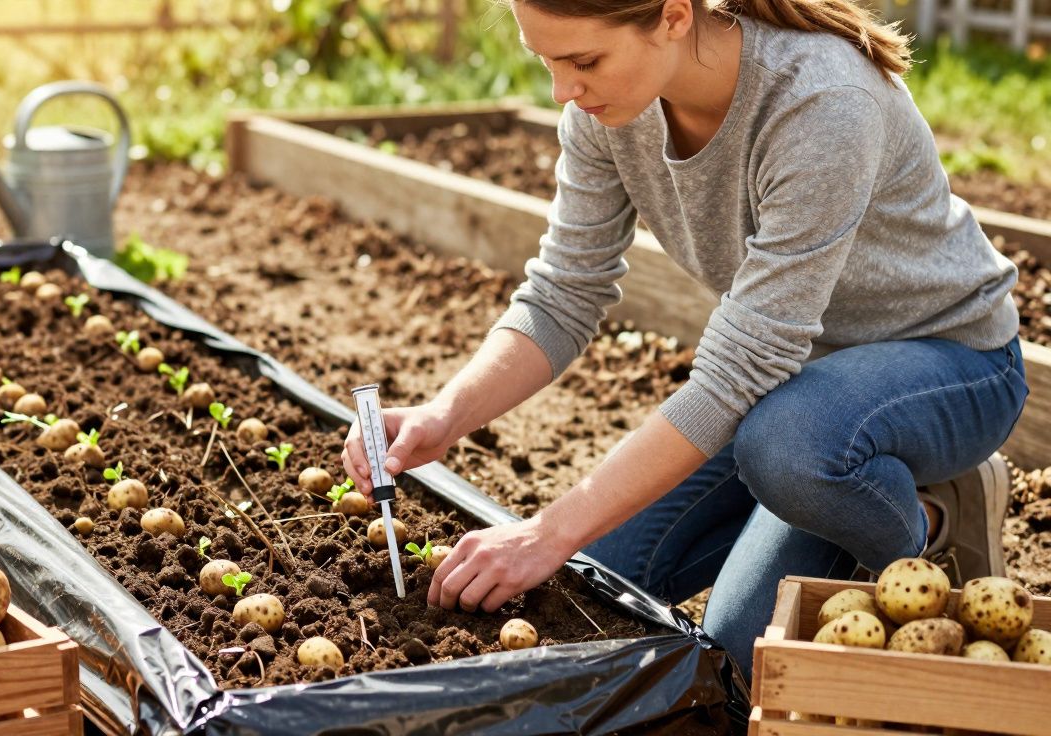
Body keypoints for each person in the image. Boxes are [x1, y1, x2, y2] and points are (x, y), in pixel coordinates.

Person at [341, 0, 1029, 680]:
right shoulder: (605, 111)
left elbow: (740, 368)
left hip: (949, 364)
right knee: (593, 586)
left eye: (584, 61)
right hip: (792, 386)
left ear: (674, 16)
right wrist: (444, 415)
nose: (563, 90)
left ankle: (930, 521)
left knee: (740, 643)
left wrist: (547, 530)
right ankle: (820, 480)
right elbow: (563, 292)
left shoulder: (823, 97)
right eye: (547, 61)